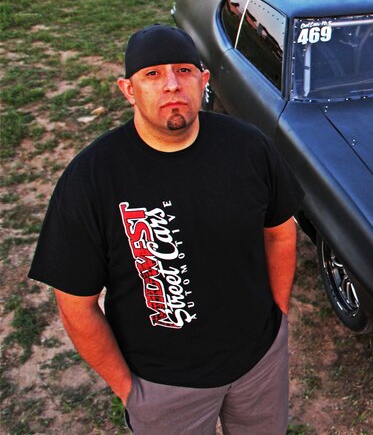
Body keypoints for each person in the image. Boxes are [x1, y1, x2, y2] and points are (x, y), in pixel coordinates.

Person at [28, 24, 304, 434]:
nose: (172, 85)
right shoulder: (92, 178)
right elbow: (75, 305)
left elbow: (281, 231)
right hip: (164, 386)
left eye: (184, 71)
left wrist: (277, 319)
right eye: (153, 74)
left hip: (259, 365)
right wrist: (132, 393)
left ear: (204, 80)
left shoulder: (248, 147)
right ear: (128, 89)